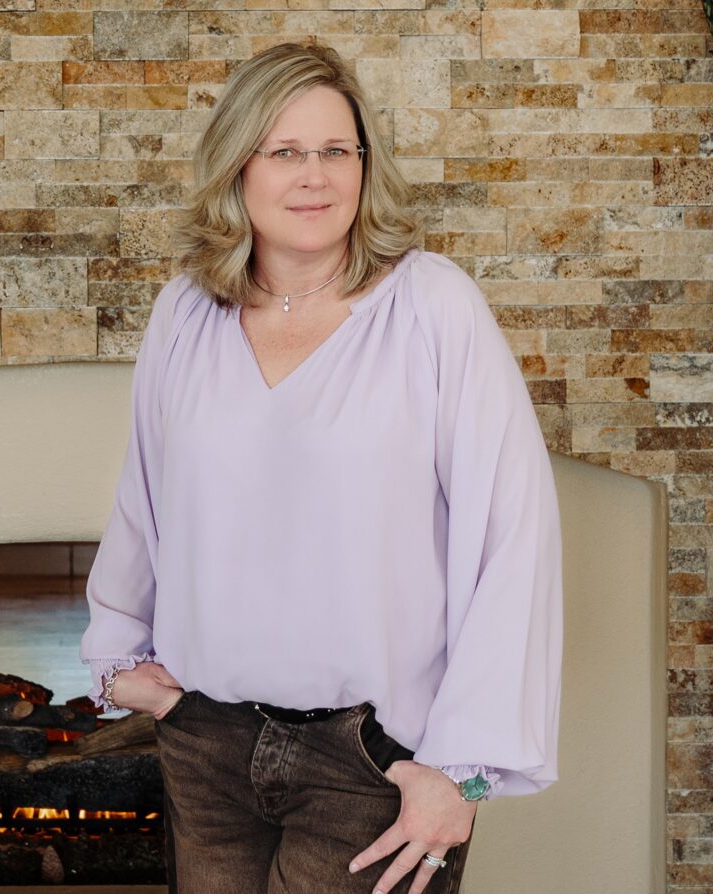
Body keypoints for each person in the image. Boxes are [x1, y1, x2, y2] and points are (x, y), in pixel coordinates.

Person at [79, 41, 562, 894]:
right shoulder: (185, 310)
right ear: (238, 165)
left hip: (372, 764)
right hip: (208, 746)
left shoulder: (433, 307)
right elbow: (146, 498)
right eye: (285, 151)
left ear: (365, 166)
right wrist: (119, 656)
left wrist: (464, 771)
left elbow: (512, 536)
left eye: (337, 150)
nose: (315, 176)